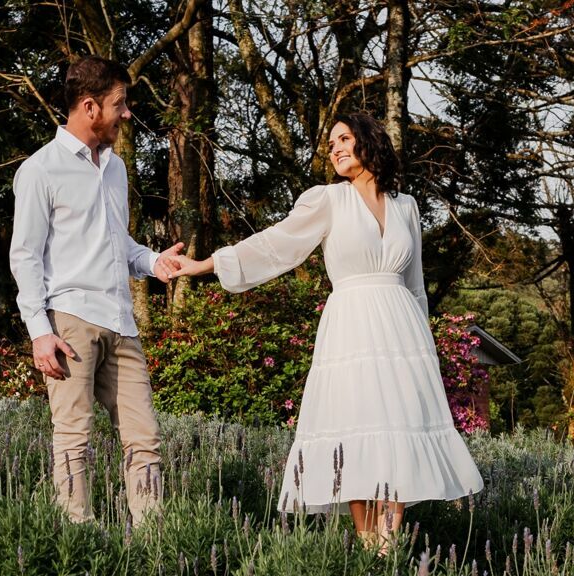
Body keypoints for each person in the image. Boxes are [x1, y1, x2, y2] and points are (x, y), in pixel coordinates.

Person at [167, 111, 482, 552]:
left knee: (398, 431)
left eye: (344, 139)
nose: (334, 149)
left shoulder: (406, 207)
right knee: (353, 428)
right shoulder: (329, 200)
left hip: (402, 334)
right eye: (331, 143)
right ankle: (369, 546)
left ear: (369, 141)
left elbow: (415, 286)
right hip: (352, 327)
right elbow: (276, 244)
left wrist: (424, 350)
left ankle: (389, 548)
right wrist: (207, 264)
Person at [8, 56, 188, 526]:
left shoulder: (116, 168)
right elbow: (25, 256)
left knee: (145, 439)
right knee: (74, 440)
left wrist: (153, 262)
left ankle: (153, 545)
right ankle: (77, 542)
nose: (127, 113)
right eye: (119, 103)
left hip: (121, 322)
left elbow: (117, 243)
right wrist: (39, 333)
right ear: (90, 107)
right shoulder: (41, 170)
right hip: (70, 321)